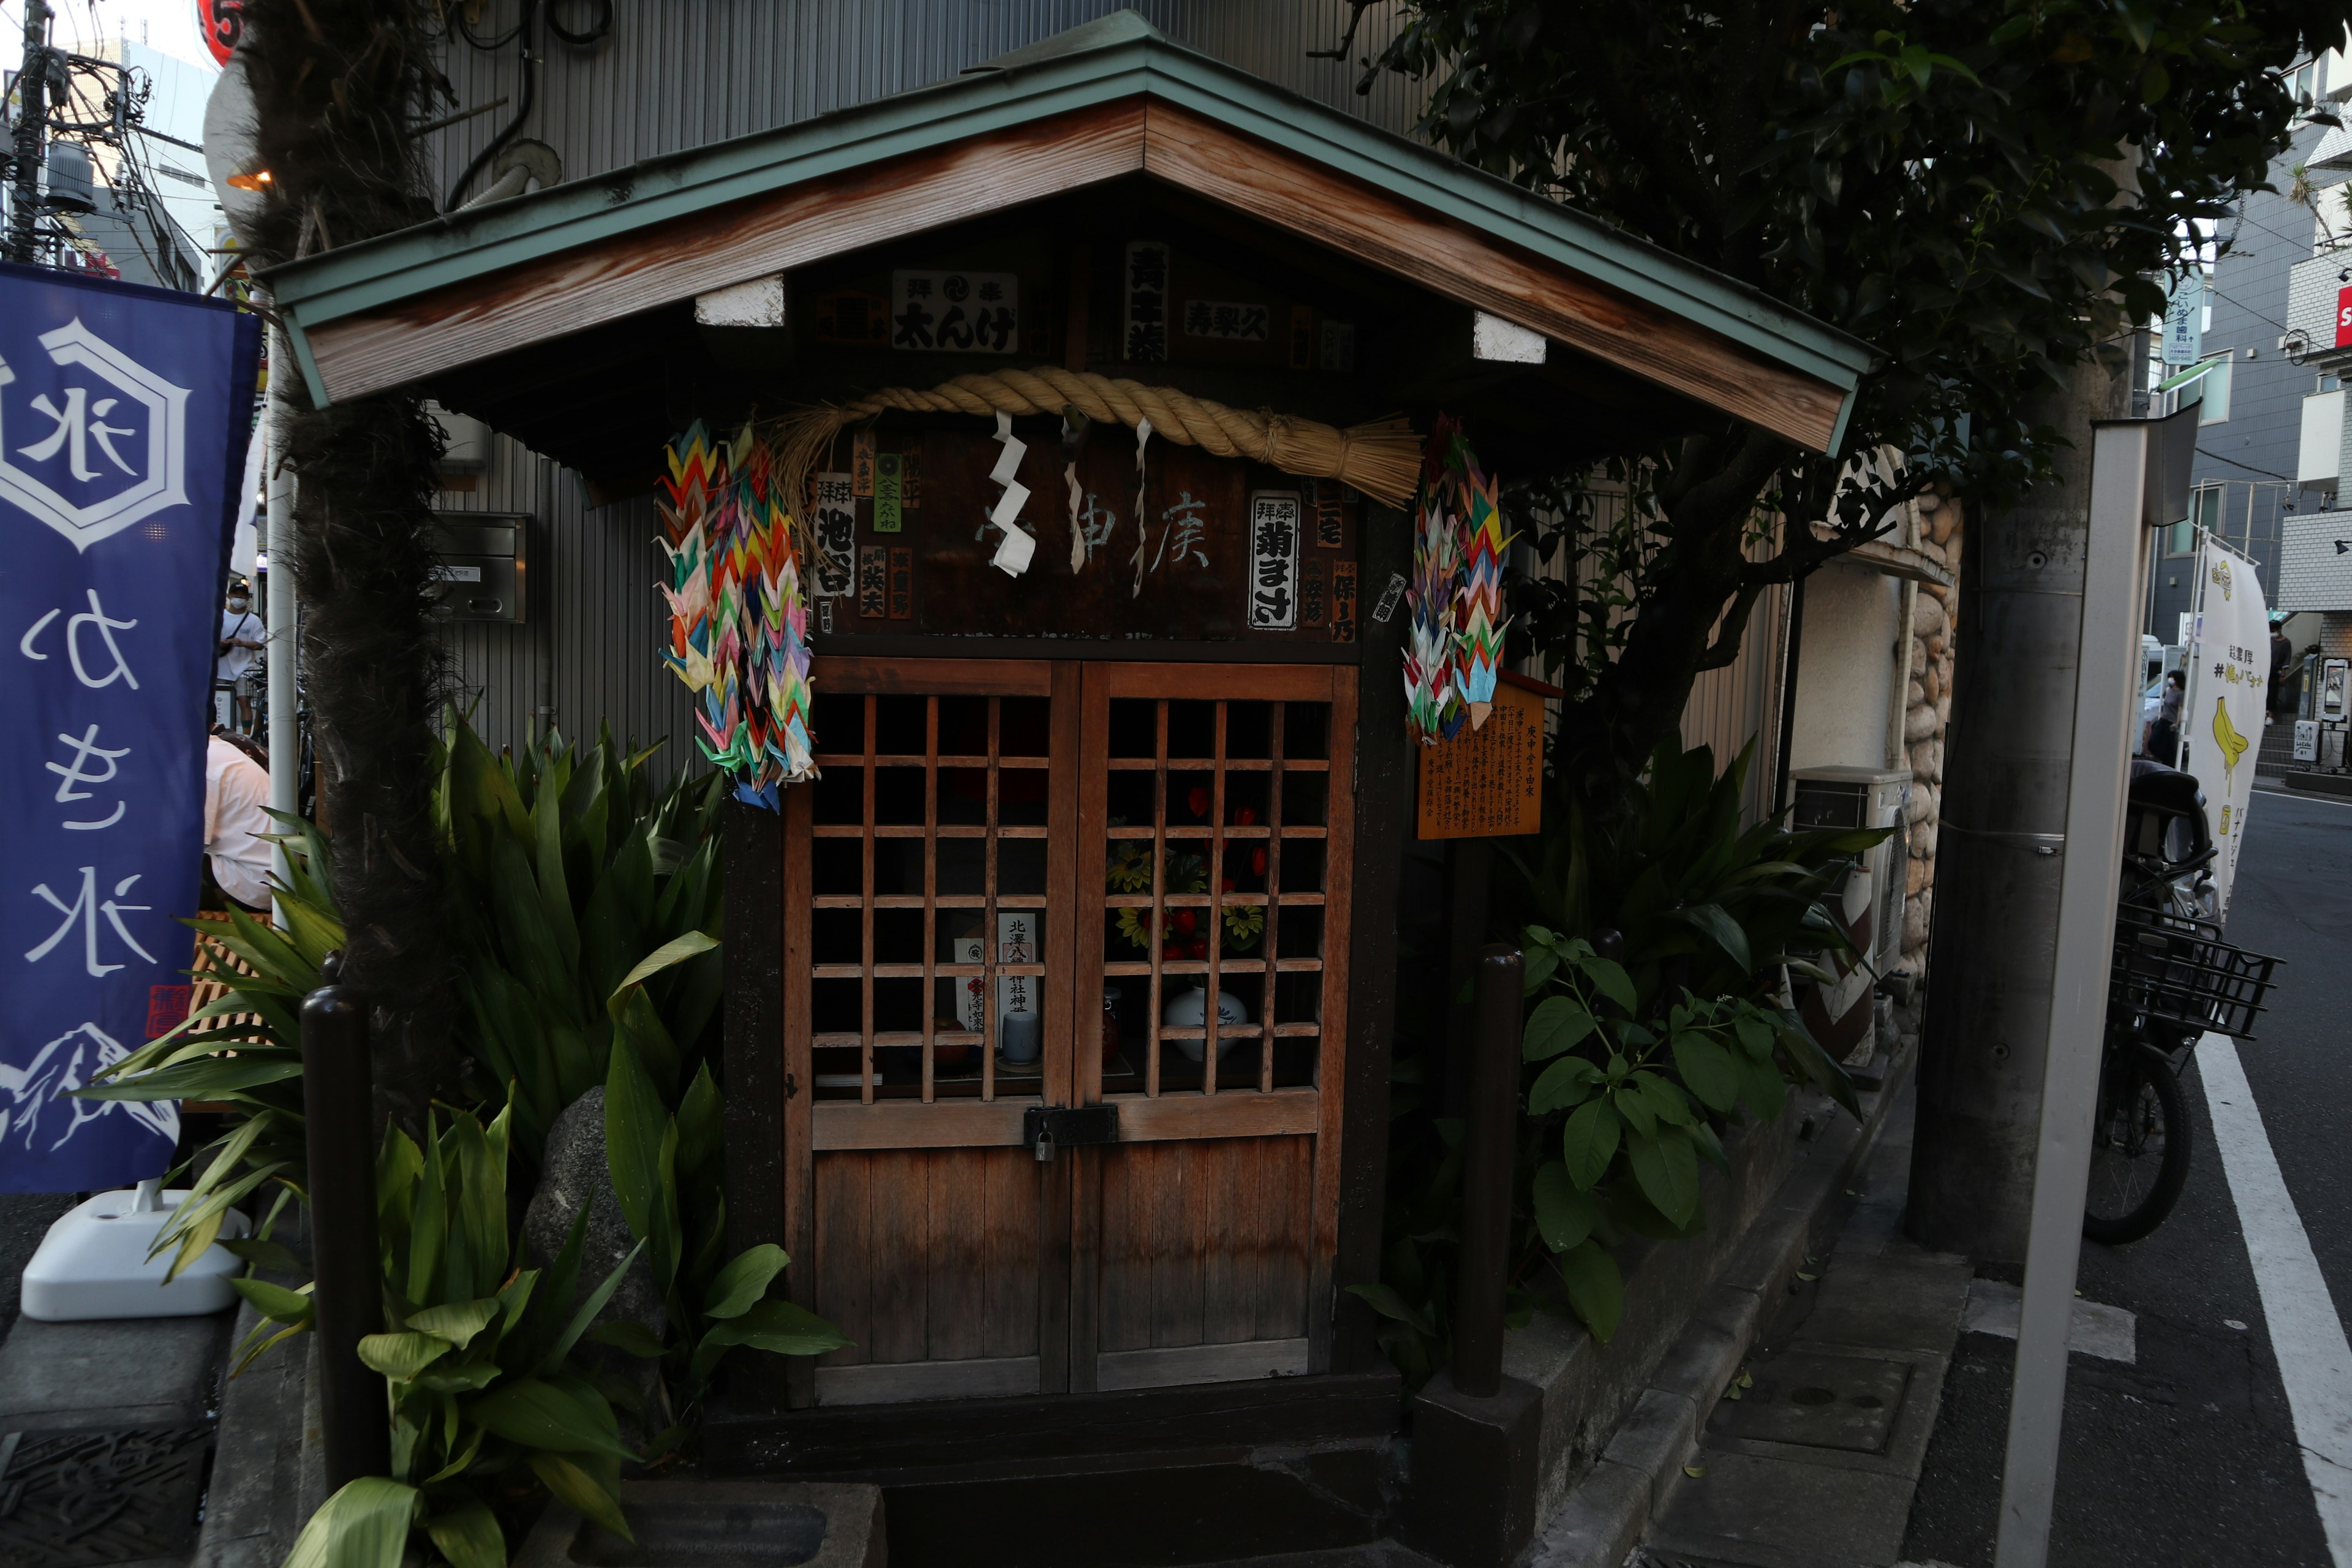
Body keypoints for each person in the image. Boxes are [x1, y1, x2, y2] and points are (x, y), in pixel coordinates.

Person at [204, 731, 273, 911]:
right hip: (272, 875)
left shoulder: (201, 763)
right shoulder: (216, 749)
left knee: (158, 873)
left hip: (253, 883)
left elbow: (187, 843)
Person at [217, 584, 265, 733]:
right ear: (229, 596)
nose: (239, 598)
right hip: (222, 667)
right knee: (220, 701)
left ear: (247, 597)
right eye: (235, 594)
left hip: (245, 668)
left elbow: (260, 643)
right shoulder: (220, 617)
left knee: (245, 701)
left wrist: (243, 643)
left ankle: (246, 735)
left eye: (242, 595)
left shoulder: (253, 620)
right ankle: (219, 733)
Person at [2144, 668, 2185, 767]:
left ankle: (2169, 764)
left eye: (2172, 678)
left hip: (2171, 722)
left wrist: (2177, 723)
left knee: (2170, 747)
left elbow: (2180, 710)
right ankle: (2161, 759)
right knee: (2153, 742)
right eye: (2170, 678)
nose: (2170, 680)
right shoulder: (2168, 690)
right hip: (2163, 719)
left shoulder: (2181, 694)